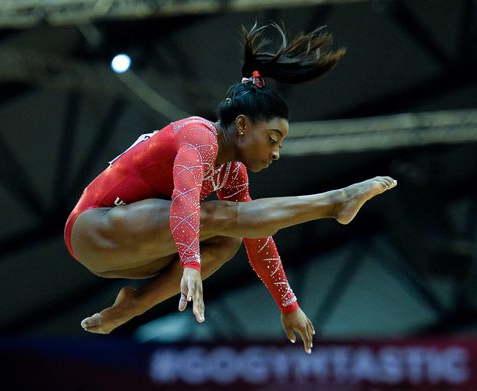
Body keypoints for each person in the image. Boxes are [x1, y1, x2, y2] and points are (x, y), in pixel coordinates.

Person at [64, 23, 397, 354]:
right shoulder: (198, 135)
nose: (276, 153)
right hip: (93, 228)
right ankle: (335, 201)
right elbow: (185, 197)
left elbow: (257, 236)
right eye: (272, 139)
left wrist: (288, 304)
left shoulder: (232, 171)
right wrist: (191, 265)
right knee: (217, 216)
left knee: (230, 239)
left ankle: (132, 307)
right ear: (241, 125)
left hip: (128, 252)